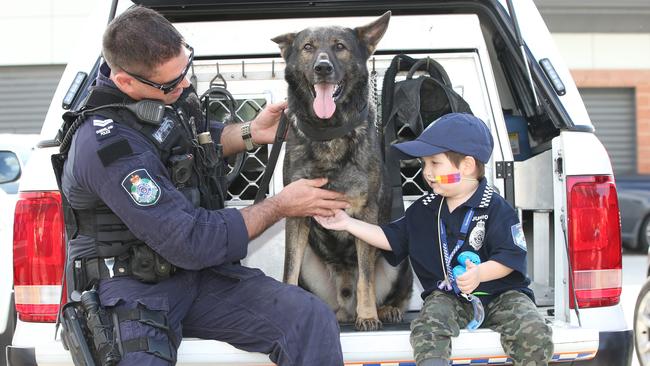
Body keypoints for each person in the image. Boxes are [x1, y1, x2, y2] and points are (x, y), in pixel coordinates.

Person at [58, 6, 348, 366]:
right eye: (171, 83)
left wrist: (249, 133)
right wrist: (281, 206)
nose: (185, 85)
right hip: (132, 291)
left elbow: (189, 142)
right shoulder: (107, 148)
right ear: (125, 83)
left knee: (309, 319)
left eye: (186, 70)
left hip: (197, 278)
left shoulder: (163, 99)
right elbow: (189, 240)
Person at [315, 113, 553, 366]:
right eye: (424, 164)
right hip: (449, 296)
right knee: (427, 328)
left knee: (533, 331)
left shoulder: (496, 208)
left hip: (502, 295)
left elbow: (510, 256)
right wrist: (347, 223)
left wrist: (480, 273)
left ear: (467, 166)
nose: (426, 172)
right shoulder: (424, 210)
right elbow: (391, 237)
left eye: (434, 163)